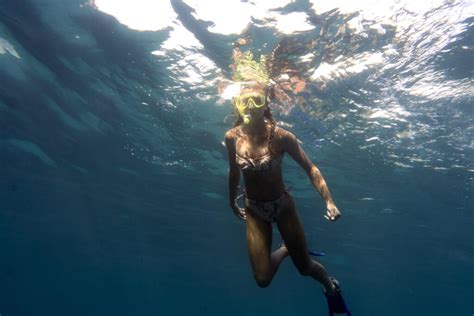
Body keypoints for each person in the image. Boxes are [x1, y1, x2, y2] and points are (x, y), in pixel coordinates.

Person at [224, 51, 351, 316]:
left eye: (256, 100)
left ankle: (330, 286)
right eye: (244, 101)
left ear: (265, 104)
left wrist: (329, 201)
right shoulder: (232, 137)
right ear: (237, 104)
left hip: (282, 206)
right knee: (262, 279)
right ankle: (284, 249)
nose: (250, 106)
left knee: (305, 267)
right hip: (255, 209)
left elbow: (311, 168)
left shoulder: (282, 137)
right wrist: (230, 201)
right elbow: (234, 172)